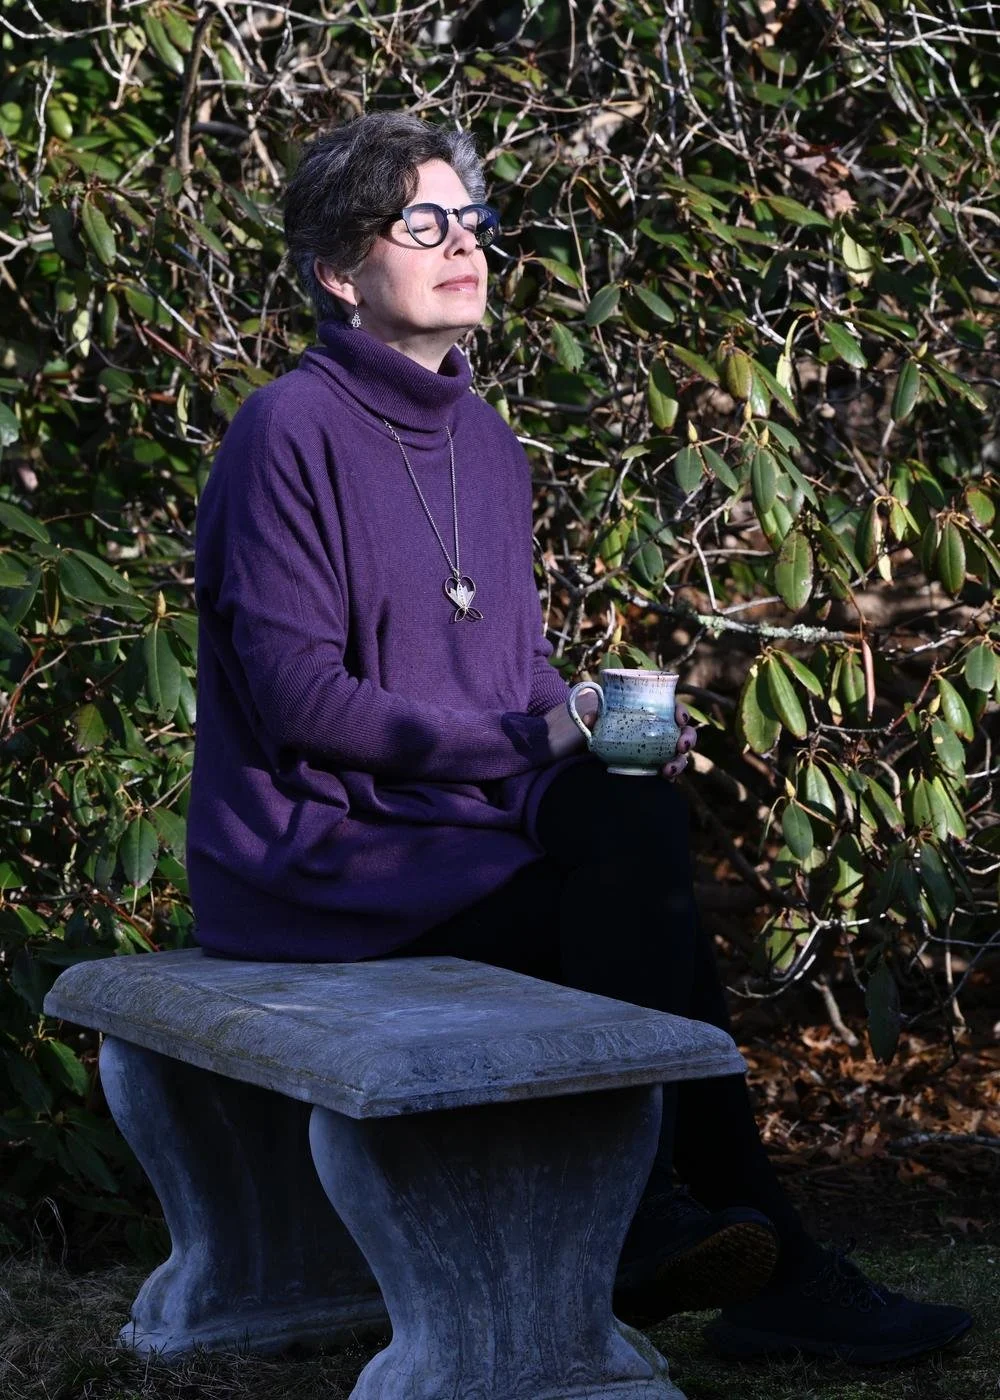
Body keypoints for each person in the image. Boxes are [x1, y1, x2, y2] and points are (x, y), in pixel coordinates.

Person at [187, 111, 972, 1365]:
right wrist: (533, 731)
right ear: (339, 272)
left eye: (475, 222)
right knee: (642, 915)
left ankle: (678, 1221)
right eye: (423, 221)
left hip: (463, 840)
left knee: (635, 815)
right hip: (324, 864)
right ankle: (724, 1241)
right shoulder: (286, 432)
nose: (464, 245)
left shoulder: (486, 443)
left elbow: (506, 673)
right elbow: (302, 704)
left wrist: (592, 731)